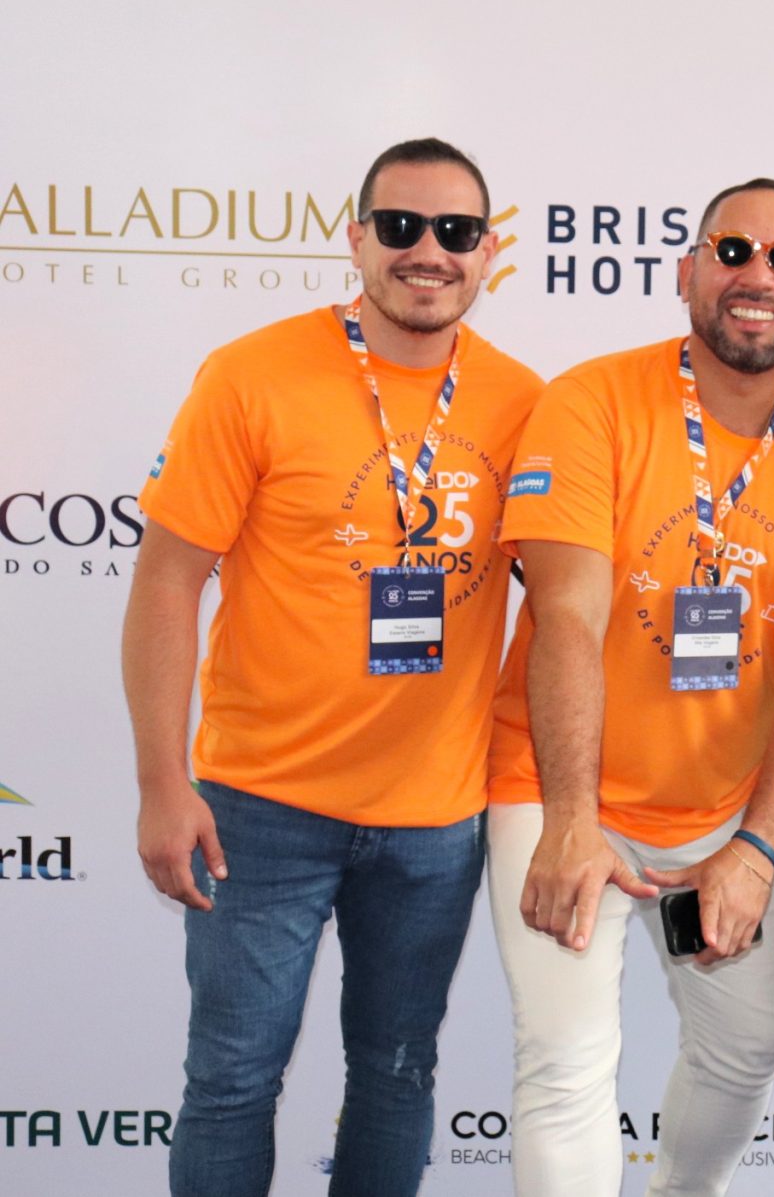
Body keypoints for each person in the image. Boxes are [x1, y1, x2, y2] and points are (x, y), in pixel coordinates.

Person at [125, 138, 541, 1197]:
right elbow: (168, 581)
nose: (428, 251)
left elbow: (569, 601)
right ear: (356, 239)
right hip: (259, 809)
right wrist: (162, 783)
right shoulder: (251, 374)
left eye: (455, 231)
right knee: (231, 1083)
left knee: (397, 1077)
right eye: (400, 226)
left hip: (435, 820)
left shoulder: (524, 403)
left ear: (488, 252)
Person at [486, 177, 774, 1197]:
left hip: (724, 812)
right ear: (687, 272)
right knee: (566, 1064)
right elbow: (567, 617)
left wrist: (755, 847)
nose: (759, 276)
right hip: (559, 787)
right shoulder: (591, 401)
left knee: (745, 1052)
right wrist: (568, 822)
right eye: (733, 250)